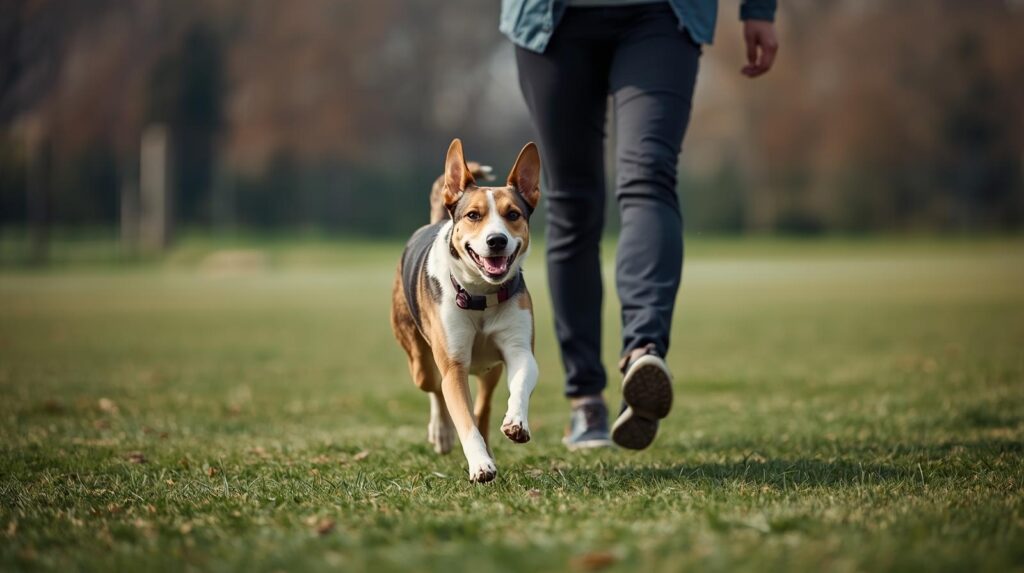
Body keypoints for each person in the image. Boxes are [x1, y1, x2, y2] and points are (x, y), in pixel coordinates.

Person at [499, 0, 778, 450]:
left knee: (649, 174)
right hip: (552, 17)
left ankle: (643, 353)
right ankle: (586, 397)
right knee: (571, 199)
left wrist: (759, 8)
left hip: (663, 13)